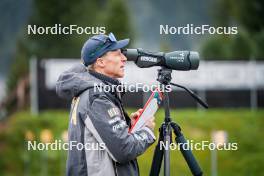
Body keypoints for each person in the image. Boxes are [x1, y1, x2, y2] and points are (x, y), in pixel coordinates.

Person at [56, 32, 156, 176]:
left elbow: (108, 138)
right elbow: (124, 150)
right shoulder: (97, 96)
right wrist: (146, 131)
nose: (124, 58)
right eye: (117, 54)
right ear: (100, 62)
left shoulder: (93, 91)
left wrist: (129, 127)